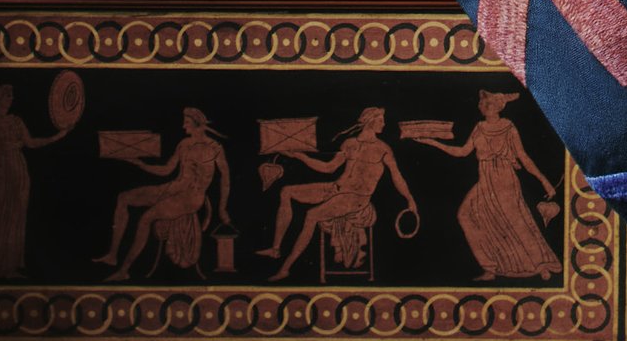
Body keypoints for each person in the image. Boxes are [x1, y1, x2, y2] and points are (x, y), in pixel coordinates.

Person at [261, 107, 419, 276]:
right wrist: (299, 156)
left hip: (356, 198)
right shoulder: (349, 144)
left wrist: (410, 199)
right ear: (369, 121)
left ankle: (285, 268)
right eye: (380, 120)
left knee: (311, 215)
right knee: (286, 191)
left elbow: (397, 177)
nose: (384, 124)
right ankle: (275, 249)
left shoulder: (383, 149)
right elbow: (328, 168)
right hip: (335, 188)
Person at [418, 91, 559, 280]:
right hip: (485, 179)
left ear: (498, 106)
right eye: (481, 103)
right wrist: (432, 142)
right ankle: (490, 267)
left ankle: (541, 265)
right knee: (465, 215)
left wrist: (544, 181)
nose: (482, 106)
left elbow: (523, 157)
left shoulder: (508, 127)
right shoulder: (479, 127)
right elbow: (462, 151)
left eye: (486, 103)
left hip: (504, 179)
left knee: (516, 222)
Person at [98, 104, 231, 276]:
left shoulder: (215, 148)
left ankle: (125, 270)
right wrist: (140, 164)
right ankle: (112, 255)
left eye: (187, 123)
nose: (183, 126)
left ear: (197, 124)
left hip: (190, 198)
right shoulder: (184, 144)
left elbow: (225, 179)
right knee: (123, 198)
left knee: (146, 218)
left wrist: (222, 209)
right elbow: (166, 170)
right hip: (172, 188)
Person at [0, 81, 63, 280]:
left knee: (17, 217)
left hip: (19, 169)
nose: (11, 99)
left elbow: (31, 143)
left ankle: (10, 268)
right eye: (8, 95)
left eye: (12, 96)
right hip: (0, 169)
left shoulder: (17, 121)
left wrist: (56, 137)